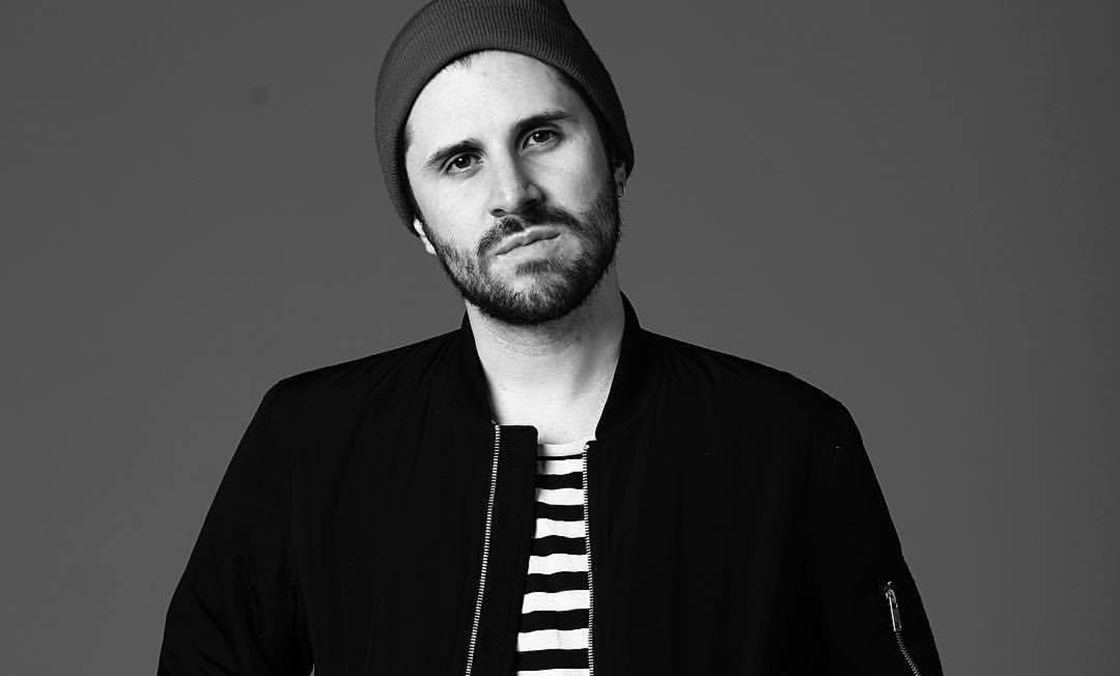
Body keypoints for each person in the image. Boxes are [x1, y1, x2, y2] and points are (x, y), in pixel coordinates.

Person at [158, 0, 943, 674]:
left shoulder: (787, 441)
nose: (513, 194)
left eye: (539, 136)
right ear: (421, 225)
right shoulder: (310, 443)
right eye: (459, 161)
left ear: (615, 158)